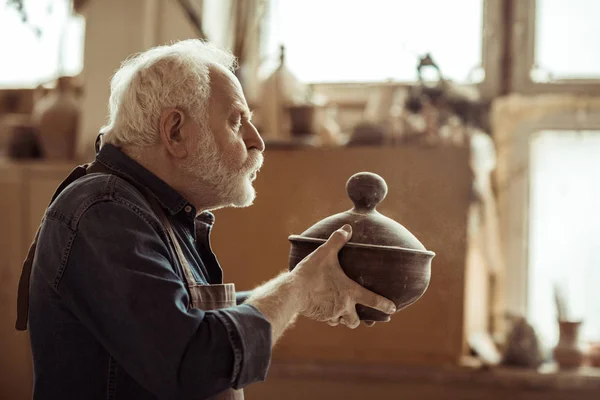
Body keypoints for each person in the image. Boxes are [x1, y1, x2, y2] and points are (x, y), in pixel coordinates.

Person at [16, 39, 396, 400]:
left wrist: (303, 293)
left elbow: (188, 321)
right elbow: (192, 360)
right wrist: (295, 290)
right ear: (176, 132)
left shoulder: (148, 210)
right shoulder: (103, 212)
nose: (257, 141)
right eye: (236, 121)